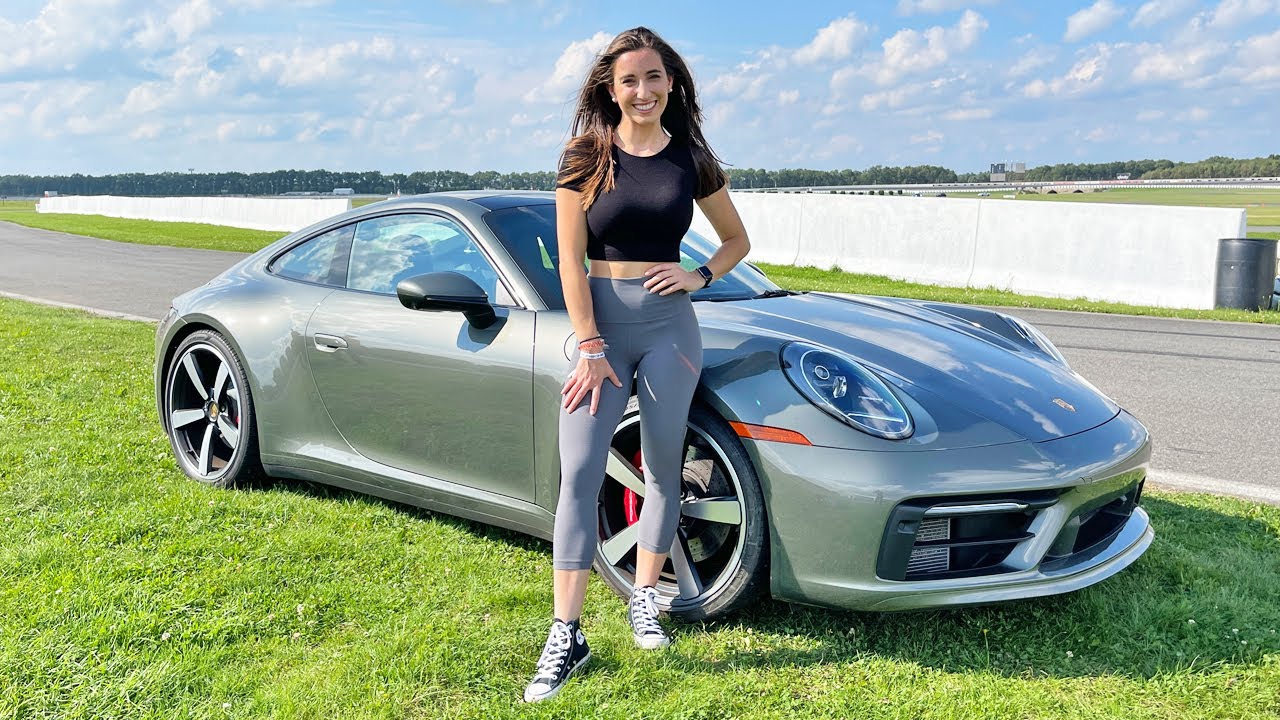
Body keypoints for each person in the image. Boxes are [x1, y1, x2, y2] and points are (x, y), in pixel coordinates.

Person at [523, 26, 750, 703]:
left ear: (671, 84)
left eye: (654, 77)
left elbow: (736, 240)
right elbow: (569, 261)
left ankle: (644, 597)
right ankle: (567, 633)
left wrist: (700, 275)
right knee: (579, 473)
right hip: (601, 330)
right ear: (611, 88)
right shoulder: (585, 155)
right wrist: (590, 345)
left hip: (669, 329)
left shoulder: (691, 158)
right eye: (630, 80)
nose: (643, 90)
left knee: (661, 467)